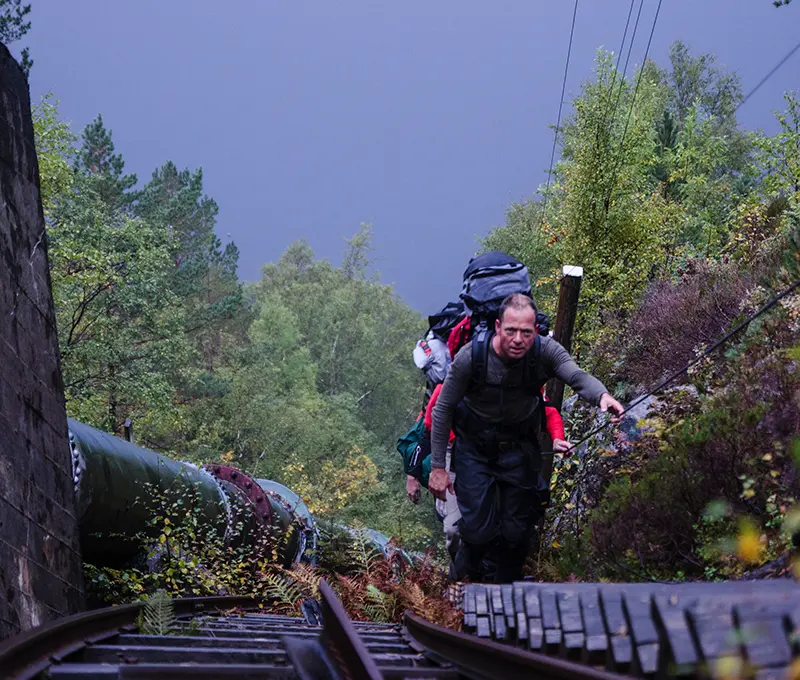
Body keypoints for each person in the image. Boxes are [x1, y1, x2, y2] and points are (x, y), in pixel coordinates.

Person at [429, 293, 624, 583]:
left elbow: (576, 376)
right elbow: (442, 409)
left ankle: (506, 598)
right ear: (497, 327)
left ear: (535, 331)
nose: (518, 339)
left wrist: (603, 396)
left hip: (519, 450)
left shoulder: (546, 351)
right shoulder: (472, 357)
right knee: (479, 531)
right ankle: (456, 588)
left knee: (516, 534)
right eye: (511, 330)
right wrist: (438, 467)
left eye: (526, 332)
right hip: (474, 451)